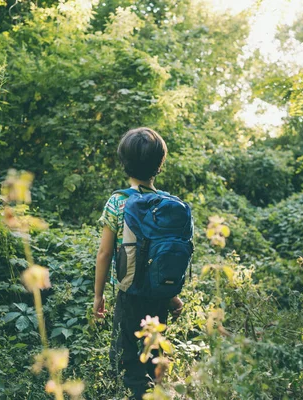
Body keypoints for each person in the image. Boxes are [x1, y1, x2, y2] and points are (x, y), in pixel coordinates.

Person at [94, 127, 185, 399]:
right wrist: (173, 296)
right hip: (159, 296)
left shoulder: (119, 201)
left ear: (125, 162)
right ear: (159, 164)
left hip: (128, 294)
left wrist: (98, 296)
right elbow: (161, 257)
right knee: (154, 356)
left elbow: (104, 254)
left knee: (128, 359)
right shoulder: (169, 205)